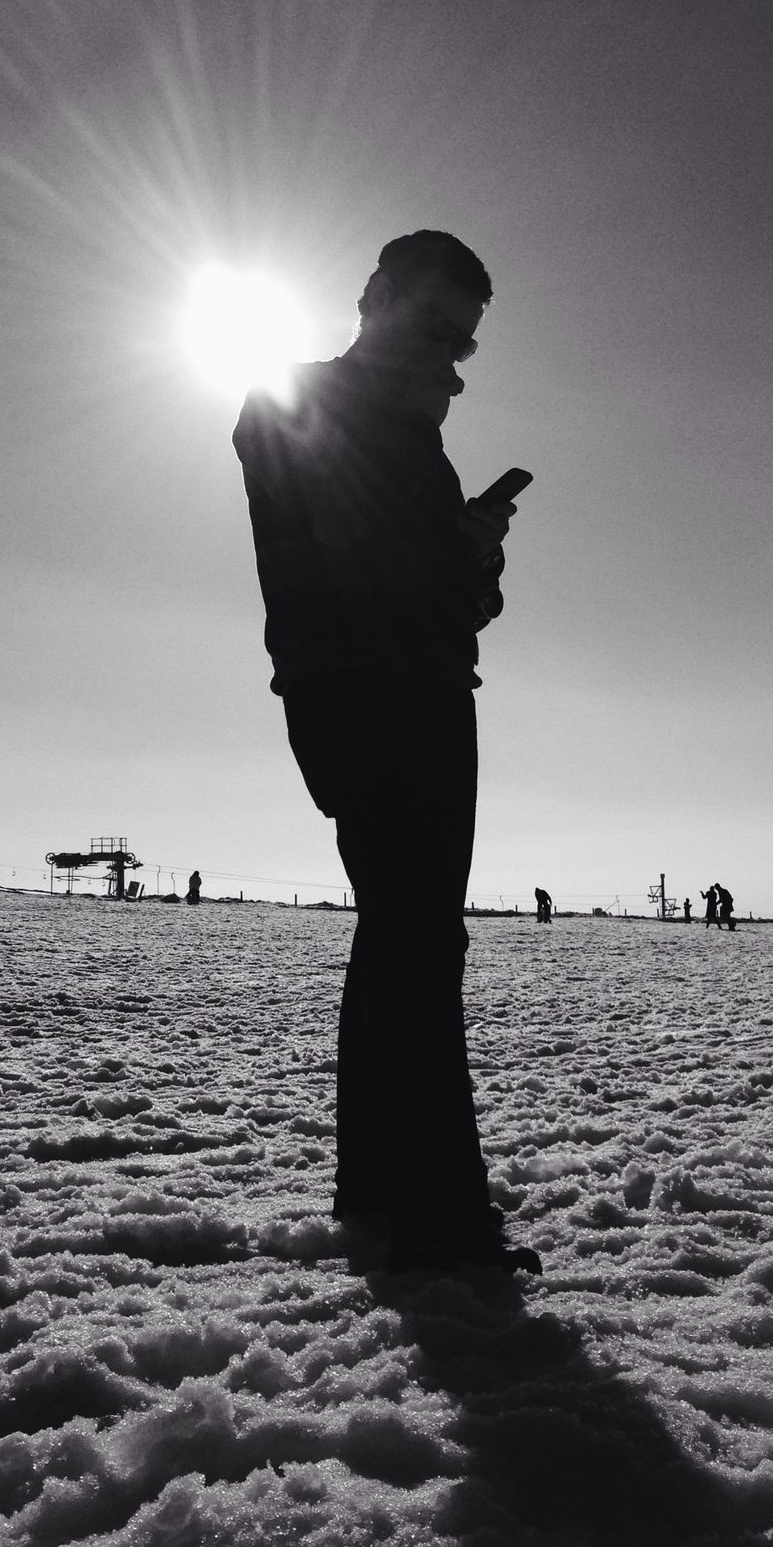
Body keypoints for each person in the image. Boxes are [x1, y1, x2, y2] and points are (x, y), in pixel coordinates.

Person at [232, 229, 539, 1277]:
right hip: (374, 696)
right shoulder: (304, 404)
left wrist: (469, 556)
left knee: (400, 932)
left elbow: (440, 594)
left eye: (463, 343)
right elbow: (359, 568)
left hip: (396, 687)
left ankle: (376, 1190)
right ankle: (442, 1216)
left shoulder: (394, 427)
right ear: (376, 300)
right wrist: (450, 555)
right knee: (418, 940)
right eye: (435, 330)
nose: (451, 359)